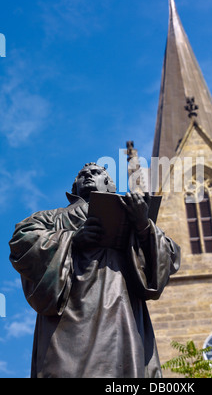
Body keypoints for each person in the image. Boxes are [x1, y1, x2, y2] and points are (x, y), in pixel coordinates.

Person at [9, 162, 181, 378]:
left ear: (109, 185)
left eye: (97, 173)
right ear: (74, 188)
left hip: (118, 308)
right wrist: (72, 239)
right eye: (83, 175)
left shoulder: (131, 213)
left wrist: (143, 225)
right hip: (67, 317)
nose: (89, 176)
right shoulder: (51, 218)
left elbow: (170, 256)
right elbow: (22, 240)